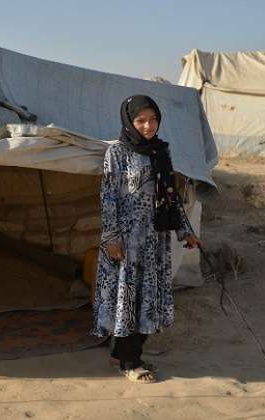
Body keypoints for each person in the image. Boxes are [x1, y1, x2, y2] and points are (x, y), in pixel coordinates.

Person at [91, 95, 200, 383]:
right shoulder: (116, 153)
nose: (148, 126)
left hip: (155, 240)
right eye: (141, 120)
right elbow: (109, 197)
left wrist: (185, 230)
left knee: (147, 299)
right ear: (129, 121)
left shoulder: (160, 151)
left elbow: (170, 195)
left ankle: (121, 353)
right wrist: (112, 237)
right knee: (129, 299)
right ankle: (130, 362)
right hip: (127, 241)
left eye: (153, 119)